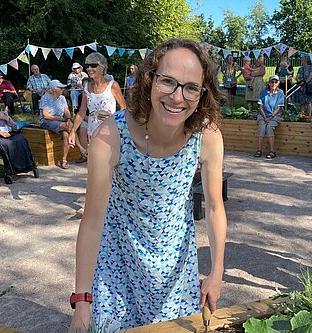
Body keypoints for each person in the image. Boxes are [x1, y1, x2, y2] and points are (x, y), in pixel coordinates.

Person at [69, 38, 227, 331]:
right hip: (117, 261)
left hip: (176, 268)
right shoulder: (110, 136)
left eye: (191, 87)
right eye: (168, 81)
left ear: (203, 94)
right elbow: (92, 222)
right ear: (149, 80)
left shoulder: (207, 137)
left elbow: (215, 207)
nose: (178, 97)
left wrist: (217, 271)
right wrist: (82, 300)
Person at [69, 52, 126, 149]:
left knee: (108, 161)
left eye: (93, 65)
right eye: (87, 66)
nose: (89, 69)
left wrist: (114, 119)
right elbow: (82, 112)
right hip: (92, 129)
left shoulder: (112, 85)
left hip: (109, 129)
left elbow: (124, 108)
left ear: (102, 67)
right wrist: (73, 131)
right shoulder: (86, 87)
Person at [0, 96, 35, 172]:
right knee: (8, 144)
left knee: (21, 139)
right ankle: (14, 167)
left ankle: (27, 165)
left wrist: (6, 118)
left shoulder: (3, 113)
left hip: (8, 134)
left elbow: (16, 127)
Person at [39, 80, 73, 169]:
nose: (63, 89)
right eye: (60, 88)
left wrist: (68, 118)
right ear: (54, 89)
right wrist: (64, 120)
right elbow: (46, 116)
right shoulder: (45, 98)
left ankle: (64, 160)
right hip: (47, 122)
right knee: (69, 126)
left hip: (60, 122)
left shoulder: (62, 98)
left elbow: (66, 111)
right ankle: (82, 150)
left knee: (66, 134)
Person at [254, 75, 284, 159]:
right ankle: (259, 150)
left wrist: (270, 117)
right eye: (272, 82)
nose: (273, 84)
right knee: (262, 127)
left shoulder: (280, 93)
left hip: (274, 115)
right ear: (269, 83)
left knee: (270, 127)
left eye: (275, 82)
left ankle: (272, 151)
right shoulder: (263, 92)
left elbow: (278, 108)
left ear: (278, 83)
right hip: (263, 114)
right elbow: (260, 106)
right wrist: (265, 117)